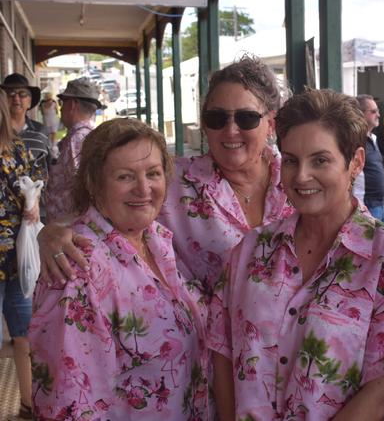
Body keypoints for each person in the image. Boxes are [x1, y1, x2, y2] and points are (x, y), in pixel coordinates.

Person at [209, 89, 384, 420]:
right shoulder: (252, 250)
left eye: (320, 160)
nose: (302, 176)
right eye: (291, 161)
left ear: (355, 163)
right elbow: (222, 349)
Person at [38, 56, 293, 293]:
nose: (230, 130)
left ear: (271, 124)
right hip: (208, 338)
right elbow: (96, 214)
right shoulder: (171, 180)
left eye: (246, 118)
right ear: (204, 124)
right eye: (216, 118)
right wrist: (50, 233)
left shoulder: (298, 179)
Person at [29, 118, 211, 419]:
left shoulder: (156, 240)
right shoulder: (78, 268)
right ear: (94, 184)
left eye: (153, 173)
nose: (144, 188)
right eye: (125, 177)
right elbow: (68, 403)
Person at [0, 89, 41, 420]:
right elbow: (34, 189)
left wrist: (34, 202)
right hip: (15, 258)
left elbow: (35, 191)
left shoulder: (17, 153)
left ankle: (28, 403)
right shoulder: (19, 152)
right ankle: (28, 404)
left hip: (15, 260)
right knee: (24, 335)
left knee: (25, 334)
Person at [44, 77, 103, 221]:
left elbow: (85, 189)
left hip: (71, 228)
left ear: (72, 105)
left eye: (62, 103)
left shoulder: (79, 138)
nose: (61, 108)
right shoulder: (83, 136)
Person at [1, 73, 51, 222]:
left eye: (22, 94)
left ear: (30, 102)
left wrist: (34, 200)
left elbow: (44, 171)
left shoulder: (41, 132)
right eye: (11, 94)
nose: (16, 98)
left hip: (33, 211)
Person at [355, 95, 384, 223]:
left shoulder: (373, 138)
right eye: (373, 112)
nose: (378, 115)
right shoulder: (356, 141)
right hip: (367, 205)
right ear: (360, 115)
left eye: (378, 111)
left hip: (380, 204)